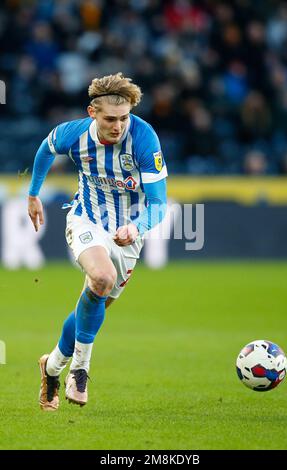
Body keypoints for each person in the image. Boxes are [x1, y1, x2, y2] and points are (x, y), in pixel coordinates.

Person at [28, 72, 168, 411]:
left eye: (124, 118)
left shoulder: (145, 138)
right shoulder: (74, 134)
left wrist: (135, 228)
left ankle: (50, 368)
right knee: (101, 278)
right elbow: (46, 150)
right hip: (86, 219)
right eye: (110, 119)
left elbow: (160, 204)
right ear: (93, 113)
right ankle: (81, 370)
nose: (118, 126)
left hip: (128, 234)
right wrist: (33, 194)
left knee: (93, 303)